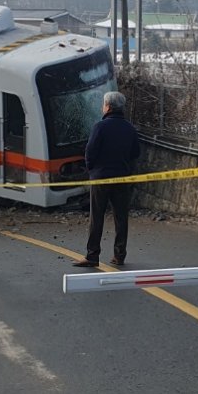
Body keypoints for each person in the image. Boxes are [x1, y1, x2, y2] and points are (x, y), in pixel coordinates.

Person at [73, 91, 140, 267]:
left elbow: (90, 152)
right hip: (122, 179)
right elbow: (136, 153)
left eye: (103, 104)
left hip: (101, 178)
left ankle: (92, 256)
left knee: (97, 217)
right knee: (121, 217)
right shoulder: (129, 128)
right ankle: (119, 255)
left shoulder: (100, 127)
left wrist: (91, 170)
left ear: (107, 106)